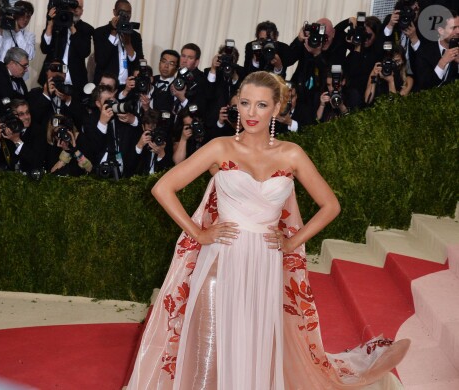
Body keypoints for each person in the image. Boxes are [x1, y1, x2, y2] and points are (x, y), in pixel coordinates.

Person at [127, 71, 409, 389]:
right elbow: (163, 188)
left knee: (253, 344)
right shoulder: (220, 148)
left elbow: (331, 206)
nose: (251, 113)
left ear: (275, 109)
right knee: (209, 347)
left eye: (261, 105)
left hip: (265, 264)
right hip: (220, 261)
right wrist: (199, 233)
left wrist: (292, 242)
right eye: (245, 103)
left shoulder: (291, 154)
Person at [38, 0, 92, 89]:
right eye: (73, 6)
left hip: (74, 81)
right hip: (52, 77)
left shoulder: (86, 28)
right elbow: (45, 49)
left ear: (82, 11)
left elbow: (84, 52)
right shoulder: (56, 23)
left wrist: (72, 27)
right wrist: (50, 24)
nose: (75, 10)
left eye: (78, 7)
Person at [93, 0, 143, 87]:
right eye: (122, 12)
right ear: (114, 12)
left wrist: (128, 44)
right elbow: (101, 61)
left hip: (127, 86)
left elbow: (138, 63)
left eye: (129, 13)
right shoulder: (100, 32)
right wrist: (113, 32)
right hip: (106, 86)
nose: (126, 16)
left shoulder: (135, 36)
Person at [414, 10, 458, 91]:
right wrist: (442, 63)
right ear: (441, 30)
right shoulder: (424, 51)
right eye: (453, 28)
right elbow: (424, 86)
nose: (458, 31)